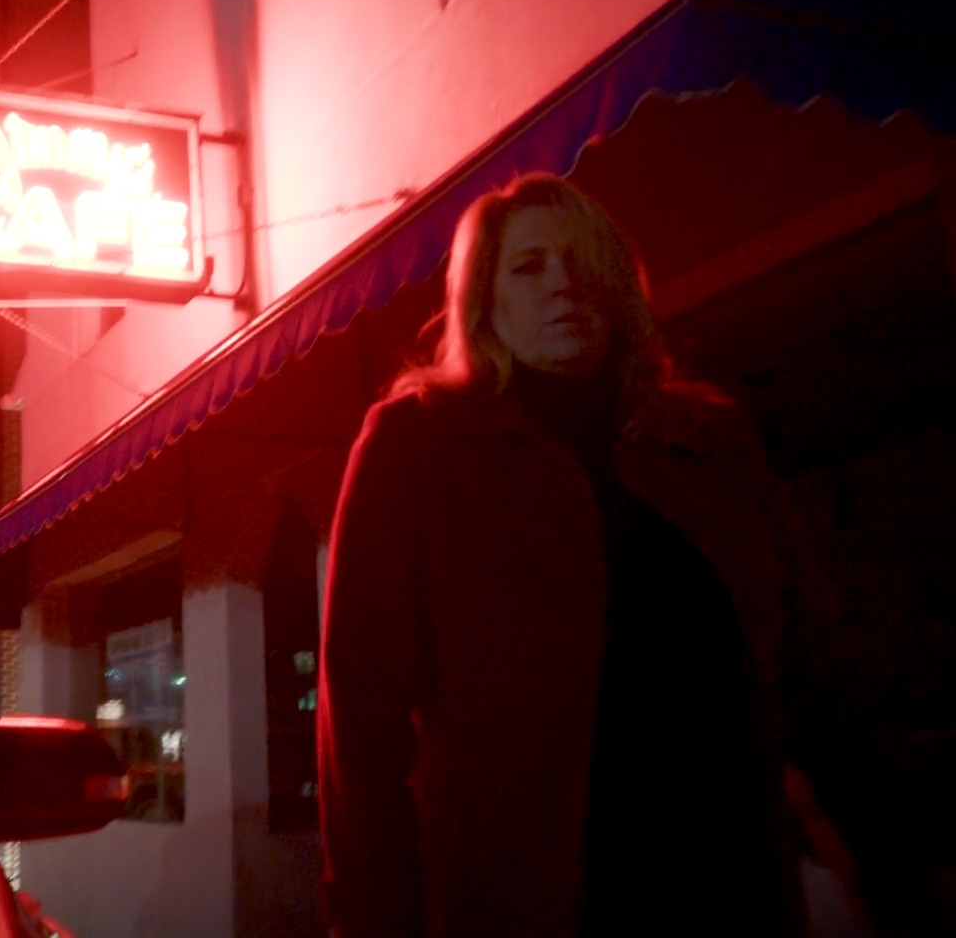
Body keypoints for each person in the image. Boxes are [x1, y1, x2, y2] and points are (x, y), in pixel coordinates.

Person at [318, 173, 806, 936]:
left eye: (583, 263)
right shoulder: (416, 447)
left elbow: (809, 666)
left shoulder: (708, 442)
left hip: (729, 883)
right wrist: (376, 919)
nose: (563, 285)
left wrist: (900, 850)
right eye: (528, 266)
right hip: (530, 899)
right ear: (483, 301)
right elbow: (361, 721)